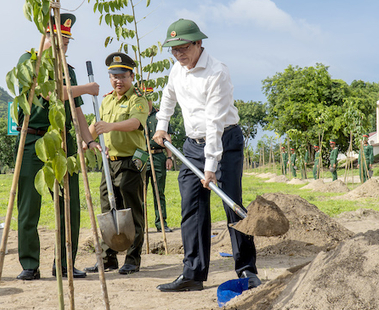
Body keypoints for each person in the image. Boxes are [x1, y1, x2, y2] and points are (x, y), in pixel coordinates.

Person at [152, 18, 260, 292]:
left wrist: (211, 165)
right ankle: (193, 274)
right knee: (191, 206)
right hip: (191, 145)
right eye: (173, 49)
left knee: (231, 202)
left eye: (183, 47)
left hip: (224, 139)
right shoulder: (177, 69)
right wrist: (162, 126)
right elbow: (168, 97)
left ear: (199, 43)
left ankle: (246, 268)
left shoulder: (217, 73)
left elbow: (214, 123)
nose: (178, 54)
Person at [15, 13, 101, 281]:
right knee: (29, 204)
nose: (64, 44)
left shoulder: (69, 70)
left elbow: (75, 112)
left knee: (69, 205)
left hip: (63, 142)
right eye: (59, 38)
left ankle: (64, 263)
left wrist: (89, 140)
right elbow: (52, 93)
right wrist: (86, 88)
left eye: (67, 39)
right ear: (45, 36)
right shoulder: (29, 62)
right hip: (33, 140)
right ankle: (29, 264)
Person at [85, 52, 148, 275]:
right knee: (106, 210)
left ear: (132, 76)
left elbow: (135, 123)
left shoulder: (137, 100)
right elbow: (95, 124)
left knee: (131, 211)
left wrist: (110, 126)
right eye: (113, 77)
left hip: (131, 162)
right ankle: (107, 257)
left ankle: (132, 259)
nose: (118, 81)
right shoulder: (107, 99)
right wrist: (86, 142)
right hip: (108, 163)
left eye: (122, 76)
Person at [145, 98, 173, 233]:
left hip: (158, 156)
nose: (146, 99)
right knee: (139, 192)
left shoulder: (160, 116)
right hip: (141, 155)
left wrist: (169, 157)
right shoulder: (137, 115)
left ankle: (161, 223)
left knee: (159, 191)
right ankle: (141, 225)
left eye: (148, 96)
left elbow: (168, 138)